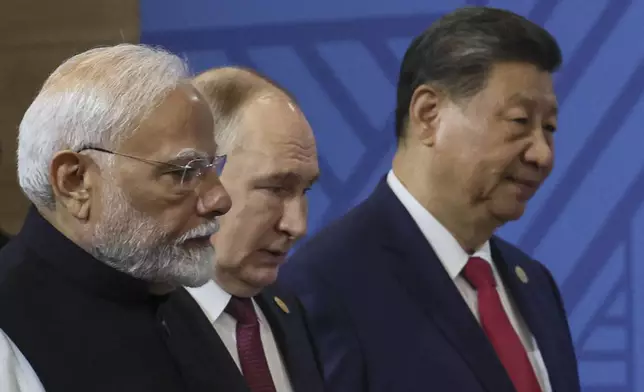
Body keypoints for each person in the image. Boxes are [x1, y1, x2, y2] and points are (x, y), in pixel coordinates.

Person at [279, 6, 581, 392]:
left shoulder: (535, 285)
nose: (542, 154)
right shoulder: (324, 287)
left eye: (550, 128)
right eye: (520, 121)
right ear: (428, 114)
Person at [0, 44, 233, 392]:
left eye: (211, 166)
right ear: (75, 182)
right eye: (184, 171)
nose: (220, 199)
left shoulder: (171, 297)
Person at [162, 66, 324, 392]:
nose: (297, 226)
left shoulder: (291, 312)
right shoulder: (139, 326)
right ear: (200, 177)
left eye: (304, 191)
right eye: (276, 188)